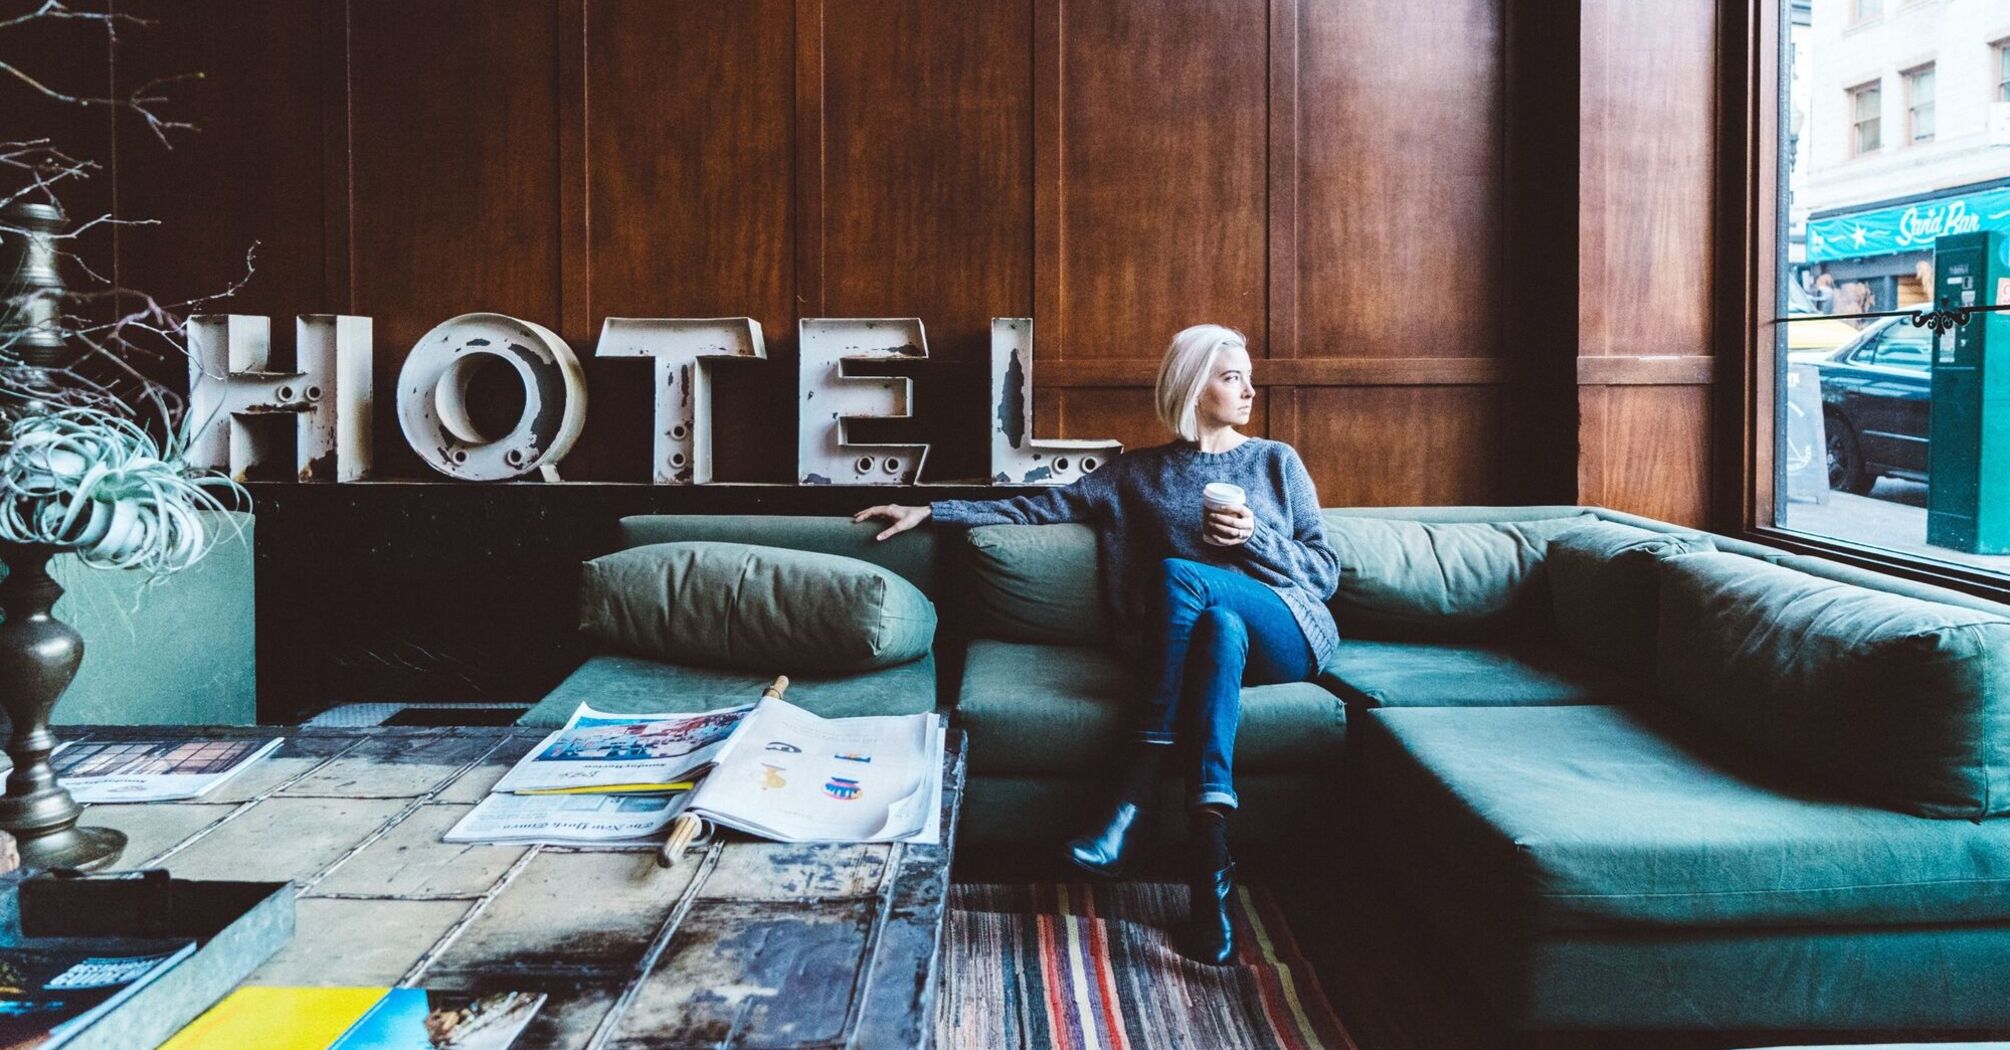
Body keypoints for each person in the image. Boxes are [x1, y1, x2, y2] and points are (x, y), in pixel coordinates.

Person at [853, 323, 1340, 965]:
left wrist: (1254, 538)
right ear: (1194, 388)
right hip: (1211, 651)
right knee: (1218, 628)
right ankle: (1209, 875)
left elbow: (1325, 571)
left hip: (1289, 629)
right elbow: (1036, 507)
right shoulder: (1137, 473)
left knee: (1184, 578)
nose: (1250, 388)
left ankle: (1133, 795)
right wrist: (932, 510)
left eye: (1247, 376)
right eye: (1231, 377)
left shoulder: (1275, 461)